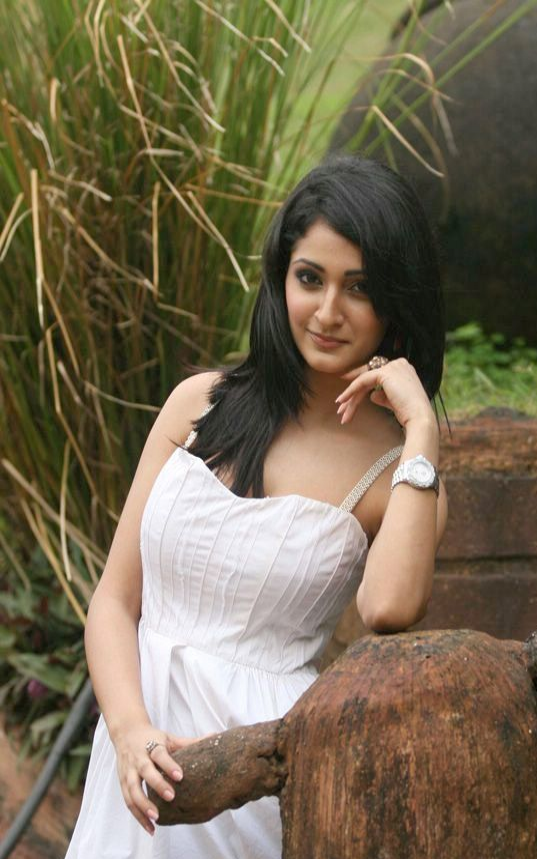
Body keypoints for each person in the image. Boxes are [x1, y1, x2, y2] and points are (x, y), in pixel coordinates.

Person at [65, 153, 448, 858]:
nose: (327, 312)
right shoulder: (198, 404)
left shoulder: (401, 472)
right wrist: (129, 730)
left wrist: (420, 428)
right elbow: (114, 602)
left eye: (359, 288)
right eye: (310, 278)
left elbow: (390, 607)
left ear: (395, 302)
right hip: (139, 763)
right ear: (280, 277)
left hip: (259, 780)